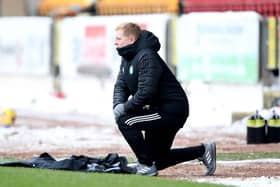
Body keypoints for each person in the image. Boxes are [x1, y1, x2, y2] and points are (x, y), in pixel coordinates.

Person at [113, 22, 216, 176]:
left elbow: (146, 92)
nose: (115, 42)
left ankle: (145, 165)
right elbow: (121, 85)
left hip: (171, 110)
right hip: (157, 109)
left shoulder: (147, 55)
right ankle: (203, 150)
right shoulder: (127, 57)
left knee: (126, 121)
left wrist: (125, 108)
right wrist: (118, 104)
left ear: (131, 40)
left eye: (118, 38)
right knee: (158, 159)